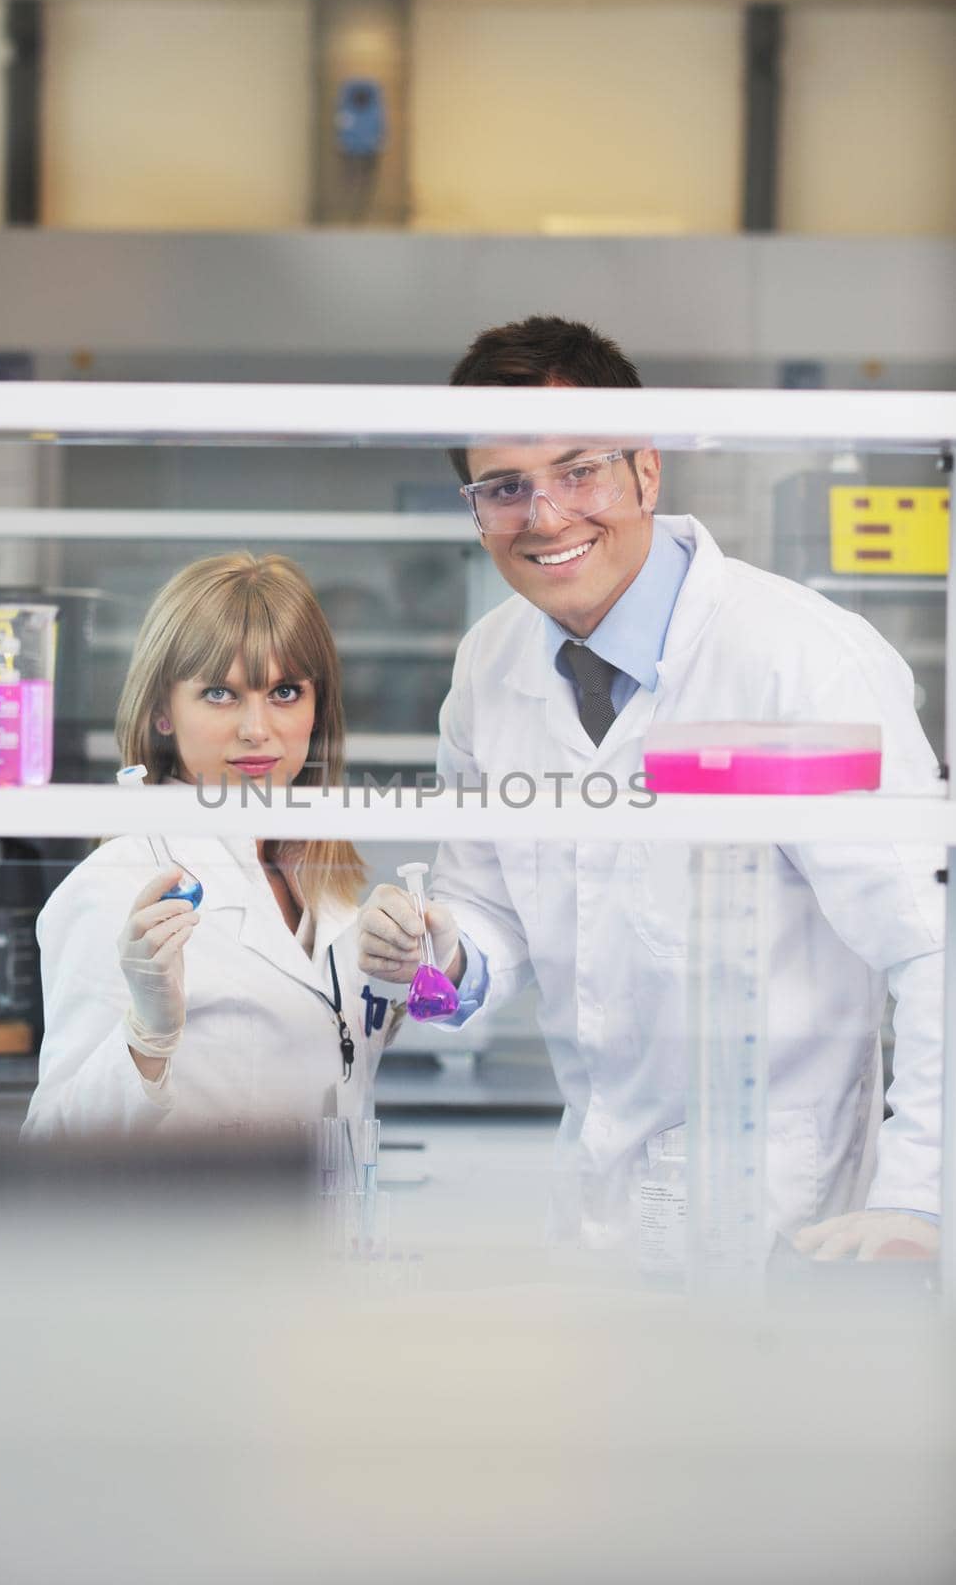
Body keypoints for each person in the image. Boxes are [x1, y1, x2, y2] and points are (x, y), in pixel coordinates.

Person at [359, 315, 943, 1259]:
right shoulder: (489, 664)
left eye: (577, 471)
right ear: (472, 509)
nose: (544, 517)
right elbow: (489, 906)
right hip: (597, 1213)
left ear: (646, 470)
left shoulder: (798, 661)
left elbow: (930, 950)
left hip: (795, 1222)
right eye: (504, 488)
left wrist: (920, 1200)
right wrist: (441, 955)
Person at [23, 553, 398, 1141]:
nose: (256, 727)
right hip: (192, 1229)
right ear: (162, 714)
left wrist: (405, 987)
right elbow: (50, 1147)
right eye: (221, 693)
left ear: (317, 707)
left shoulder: (324, 879)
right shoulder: (118, 885)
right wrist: (145, 1041)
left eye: (285, 691)